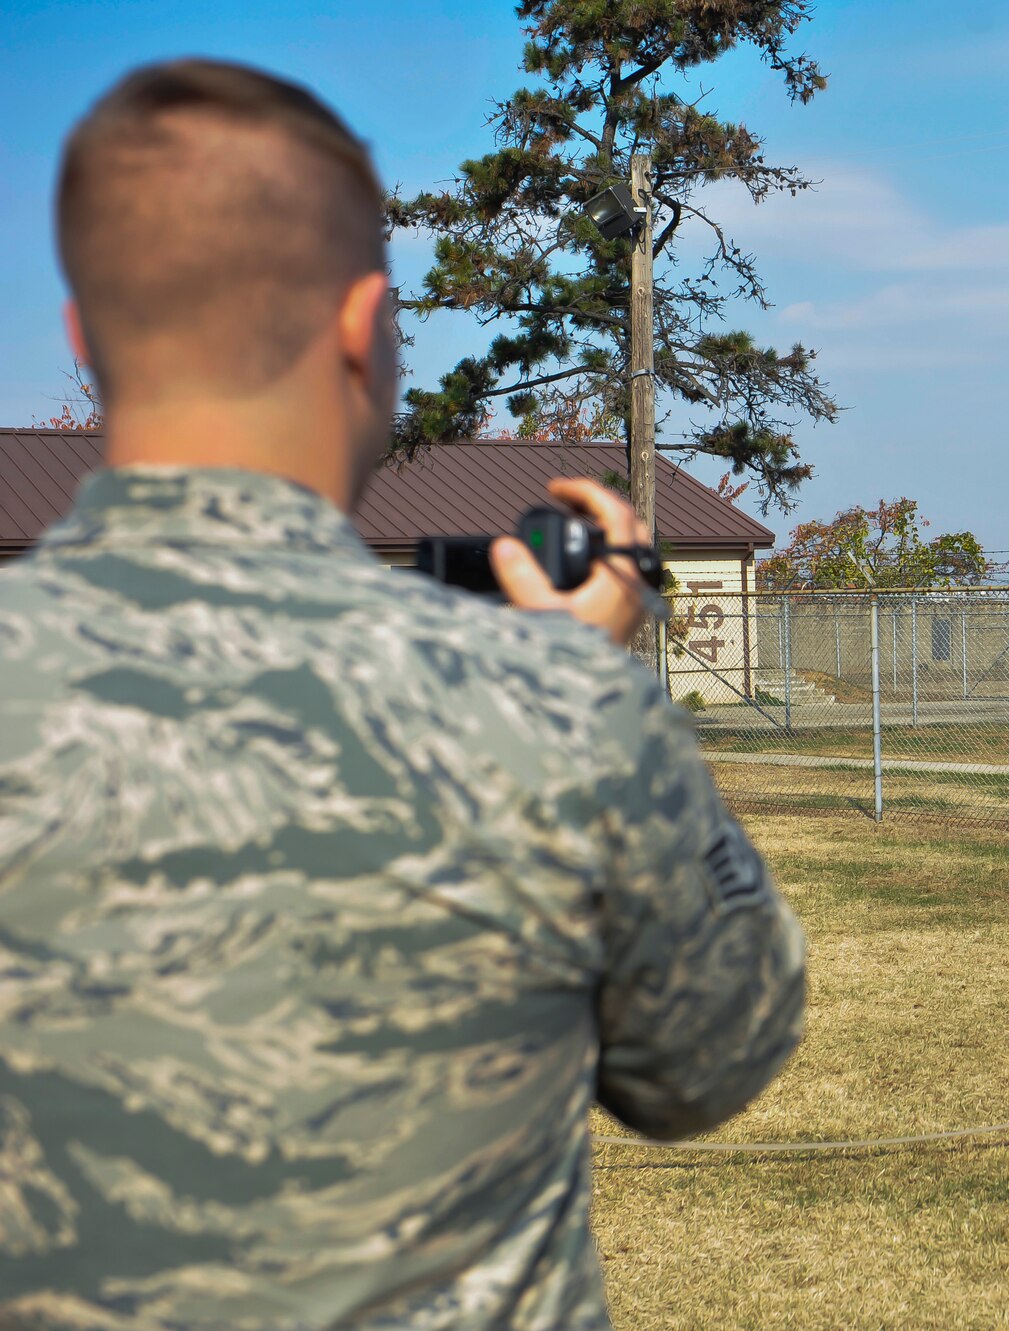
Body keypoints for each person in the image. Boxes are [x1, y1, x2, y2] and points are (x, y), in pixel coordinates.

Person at [0, 61, 805, 1327]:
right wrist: (601, 698)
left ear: (84, 338)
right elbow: (717, 1057)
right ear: (363, 324)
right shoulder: (549, 709)